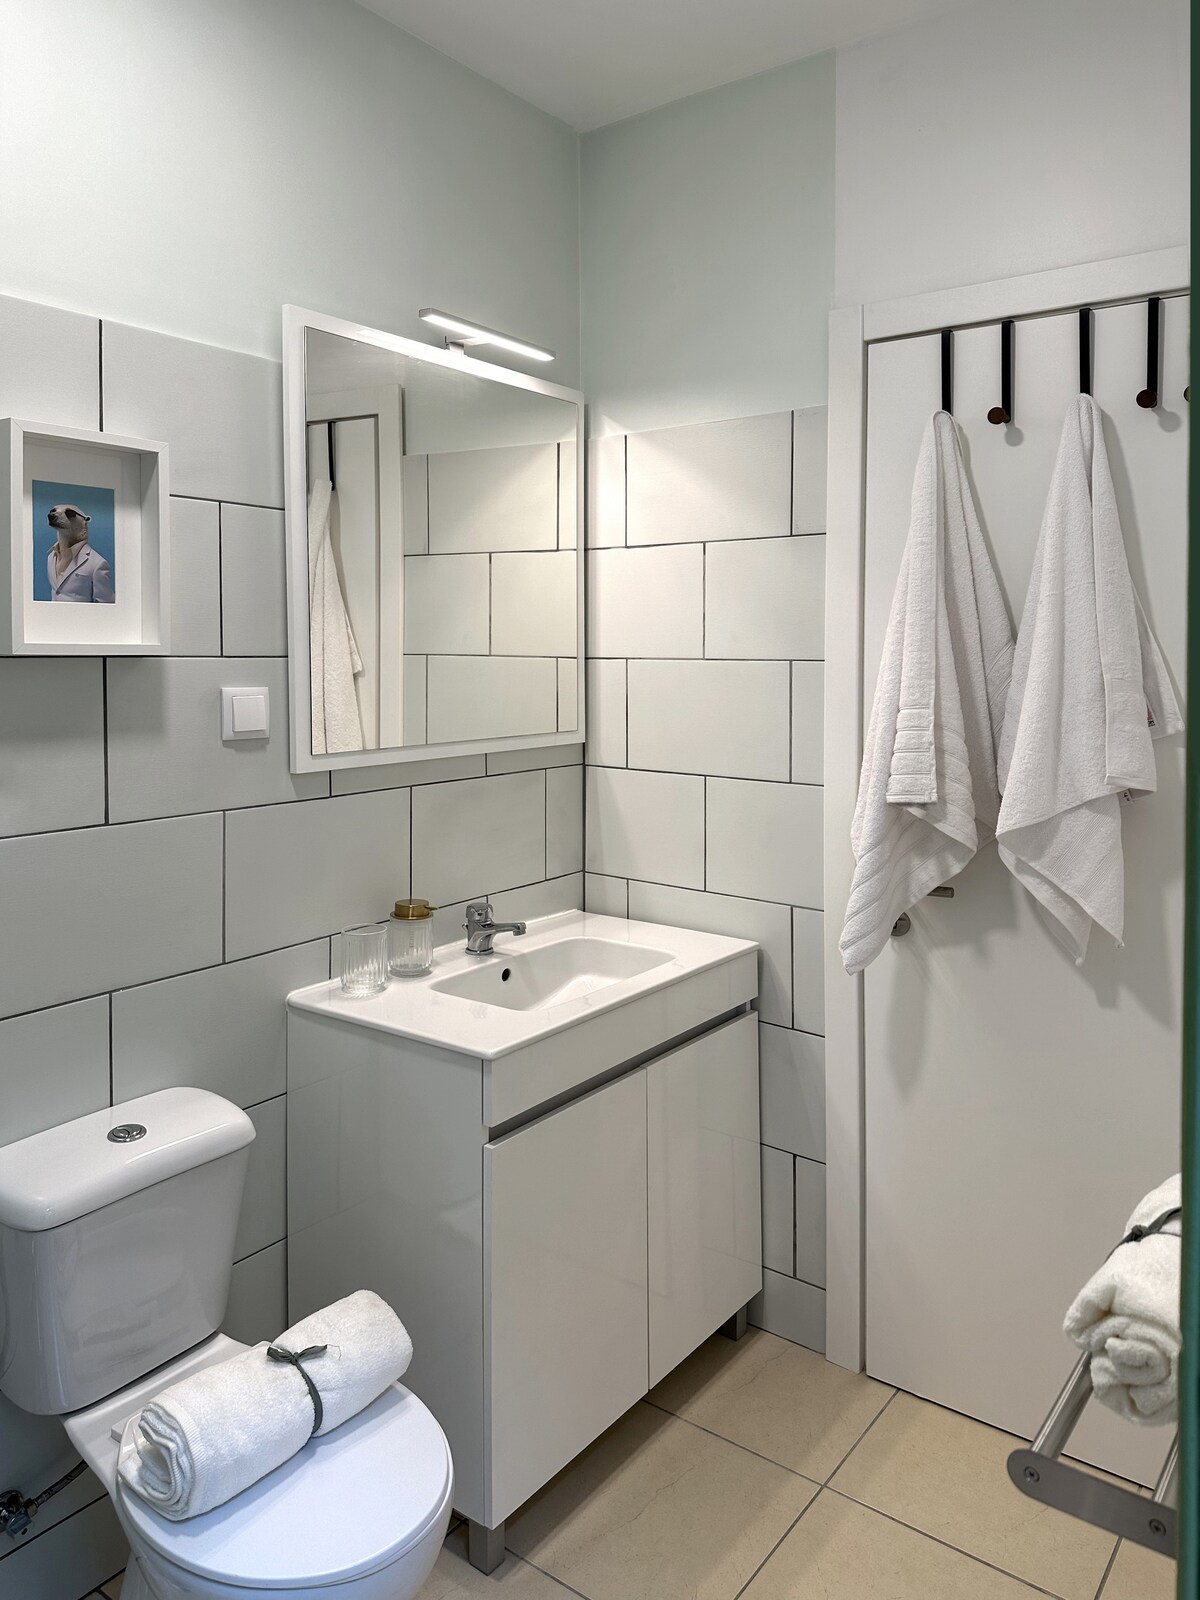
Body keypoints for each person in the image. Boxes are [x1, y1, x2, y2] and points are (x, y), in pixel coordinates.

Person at [46, 504, 114, 602]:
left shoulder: (97, 564)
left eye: (70, 513)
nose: (54, 515)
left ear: (84, 522)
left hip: (81, 617)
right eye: (53, 511)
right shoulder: (51, 557)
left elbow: (107, 604)